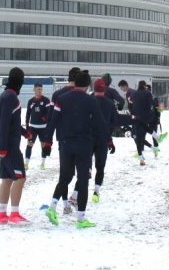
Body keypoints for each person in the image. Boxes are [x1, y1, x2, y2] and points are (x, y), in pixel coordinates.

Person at [44, 71, 107, 228]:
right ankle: (80, 219)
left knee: (65, 176)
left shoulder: (61, 99)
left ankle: (52, 207)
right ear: (87, 86)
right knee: (83, 179)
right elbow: (100, 123)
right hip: (84, 145)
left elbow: (53, 121)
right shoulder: (90, 101)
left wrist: (47, 141)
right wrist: (105, 139)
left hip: (65, 143)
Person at [0, 67, 30, 225]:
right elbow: (3, 122)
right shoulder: (11, 98)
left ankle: (2, 214)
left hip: (6, 143)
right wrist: (2, 146)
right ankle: (14, 214)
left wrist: (25, 133)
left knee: (7, 179)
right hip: (9, 146)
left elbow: (10, 122)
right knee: (20, 178)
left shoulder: (5, 95)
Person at [48, 67, 81, 213]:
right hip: (80, 138)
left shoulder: (57, 94)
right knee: (81, 172)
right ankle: (74, 197)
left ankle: (66, 204)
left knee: (65, 173)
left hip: (62, 138)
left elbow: (51, 118)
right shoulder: (82, 94)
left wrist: (47, 140)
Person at [91, 78, 117, 203]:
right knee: (100, 167)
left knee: (85, 165)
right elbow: (112, 123)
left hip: (88, 138)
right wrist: (110, 140)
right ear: (104, 89)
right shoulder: (109, 103)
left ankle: (79, 188)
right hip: (103, 139)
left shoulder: (89, 101)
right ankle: (96, 192)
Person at [130, 81, 167, 165]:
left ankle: (142, 157)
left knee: (140, 138)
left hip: (137, 117)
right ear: (145, 86)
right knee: (144, 134)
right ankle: (154, 147)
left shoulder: (134, 93)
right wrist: (158, 114)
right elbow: (155, 106)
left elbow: (130, 102)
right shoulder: (149, 94)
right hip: (148, 117)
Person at [25, 83, 52, 170]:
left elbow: (49, 112)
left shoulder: (46, 100)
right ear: (34, 90)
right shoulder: (30, 101)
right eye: (37, 89)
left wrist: (45, 118)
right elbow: (27, 114)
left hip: (43, 128)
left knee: (43, 145)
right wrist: (27, 126)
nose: (39, 91)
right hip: (33, 127)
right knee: (29, 144)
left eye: (40, 89)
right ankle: (26, 163)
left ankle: (43, 163)